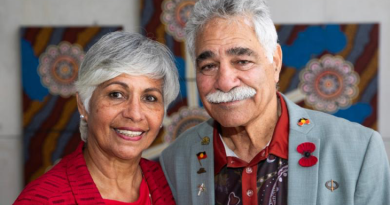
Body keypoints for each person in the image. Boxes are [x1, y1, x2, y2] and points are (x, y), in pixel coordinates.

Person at [159, 0, 390, 204]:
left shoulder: (359, 150)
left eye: (242, 61)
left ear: (275, 63)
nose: (226, 82)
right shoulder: (175, 162)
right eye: (208, 66)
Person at [14, 31, 179, 205]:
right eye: (116, 94)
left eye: (150, 98)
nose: (134, 114)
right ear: (83, 104)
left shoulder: (170, 185)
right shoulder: (42, 199)